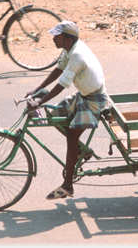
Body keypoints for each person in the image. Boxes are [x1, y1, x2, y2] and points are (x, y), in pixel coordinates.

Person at [26, 20, 108, 200]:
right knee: (54, 114)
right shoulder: (70, 49)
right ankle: (82, 150)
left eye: (57, 36)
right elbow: (59, 70)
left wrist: (38, 103)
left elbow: (63, 83)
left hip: (94, 100)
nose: (54, 39)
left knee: (72, 135)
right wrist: (37, 89)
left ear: (68, 40)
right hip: (84, 96)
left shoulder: (77, 55)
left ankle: (68, 185)